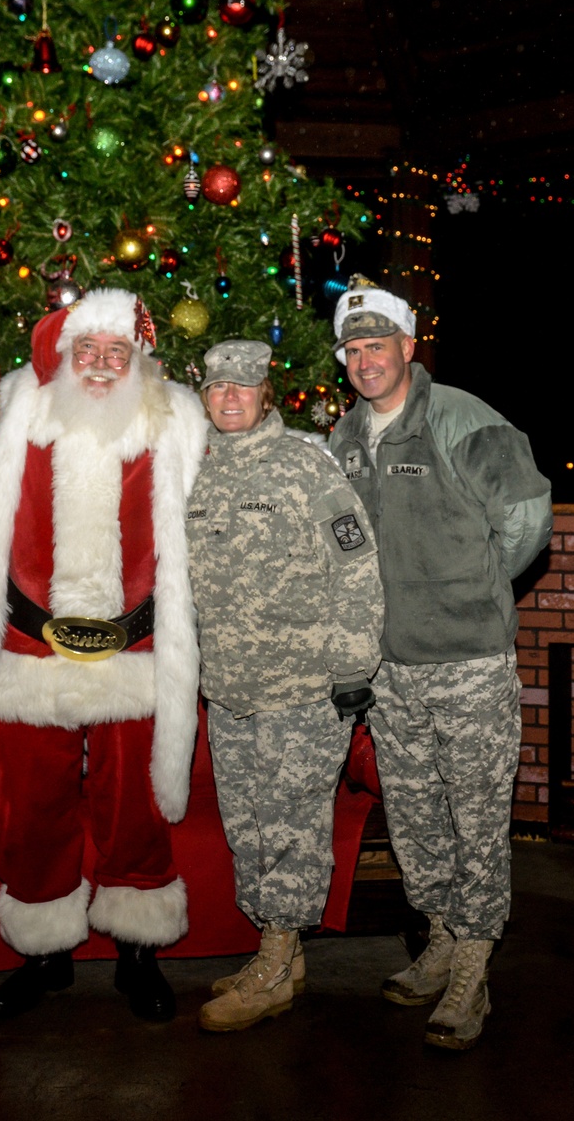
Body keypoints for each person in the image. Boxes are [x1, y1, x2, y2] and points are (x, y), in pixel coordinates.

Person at [0, 289, 206, 1023]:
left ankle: (137, 951)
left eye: (115, 353)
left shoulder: (173, 420)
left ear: (138, 360)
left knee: (135, 807)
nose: (99, 366)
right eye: (85, 352)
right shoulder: (16, 413)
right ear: (62, 356)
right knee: (30, 809)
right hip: (29, 648)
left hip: (137, 646)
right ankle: (43, 953)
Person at [328, 277, 552, 1051]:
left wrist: (474, 586)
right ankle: (441, 939)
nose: (365, 362)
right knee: (418, 818)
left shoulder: (464, 419)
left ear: (408, 348)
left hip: (468, 663)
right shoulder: (344, 440)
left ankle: (474, 964)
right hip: (390, 670)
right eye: (352, 351)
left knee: (478, 817)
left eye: (376, 346)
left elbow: (525, 521)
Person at [185, 339, 384, 1033]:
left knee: (295, 828)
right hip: (229, 689)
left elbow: (355, 568)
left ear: (266, 393)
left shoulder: (307, 466)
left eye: (243, 387)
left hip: (302, 689)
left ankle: (273, 963)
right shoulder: (195, 472)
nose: (230, 398)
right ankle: (283, 951)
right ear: (204, 396)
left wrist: (353, 668)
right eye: (217, 389)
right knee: (250, 828)